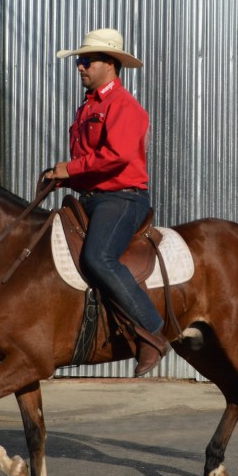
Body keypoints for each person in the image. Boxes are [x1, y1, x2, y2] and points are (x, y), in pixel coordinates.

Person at [46, 27, 169, 376]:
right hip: (91, 197)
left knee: (98, 257)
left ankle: (152, 333)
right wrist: (63, 177)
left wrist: (69, 168)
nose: (80, 67)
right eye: (80, 61)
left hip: (122, 198)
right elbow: (90, 159)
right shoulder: (87, 107)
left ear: (110, 64)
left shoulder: (125, 106)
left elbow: (114, 156)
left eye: (87, 60)